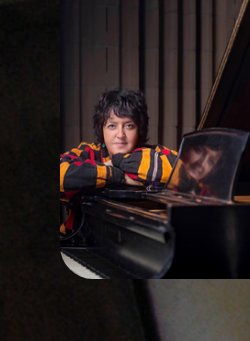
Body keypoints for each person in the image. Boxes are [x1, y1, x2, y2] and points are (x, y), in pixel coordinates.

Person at [58, 88, 180, 239]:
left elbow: (185, 172)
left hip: (139, 240)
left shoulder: (153, 154)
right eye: (112, 126)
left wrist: (118, 161)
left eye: (129, 126)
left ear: (139, 130)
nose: (120, 134)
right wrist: (117, 176)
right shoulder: (88, 152)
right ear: (102, 129)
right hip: (78, 240)